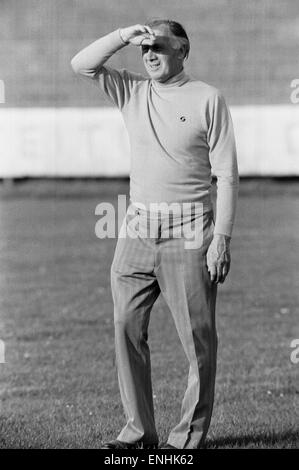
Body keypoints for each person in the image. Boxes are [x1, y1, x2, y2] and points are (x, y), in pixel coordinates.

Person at [71, 19, 239, 449]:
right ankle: (138, 432)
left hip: (190, 230)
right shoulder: (133, 89)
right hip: (137, 227)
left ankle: (185, 440)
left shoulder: (208, 98)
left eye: (158, 46)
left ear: (181, 50)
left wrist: (221, 237)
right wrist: (124, 35)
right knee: (125, 325)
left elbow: (226, 174)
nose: (148, 53)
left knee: (197, 340)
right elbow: (82, 65)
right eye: (144, 47)